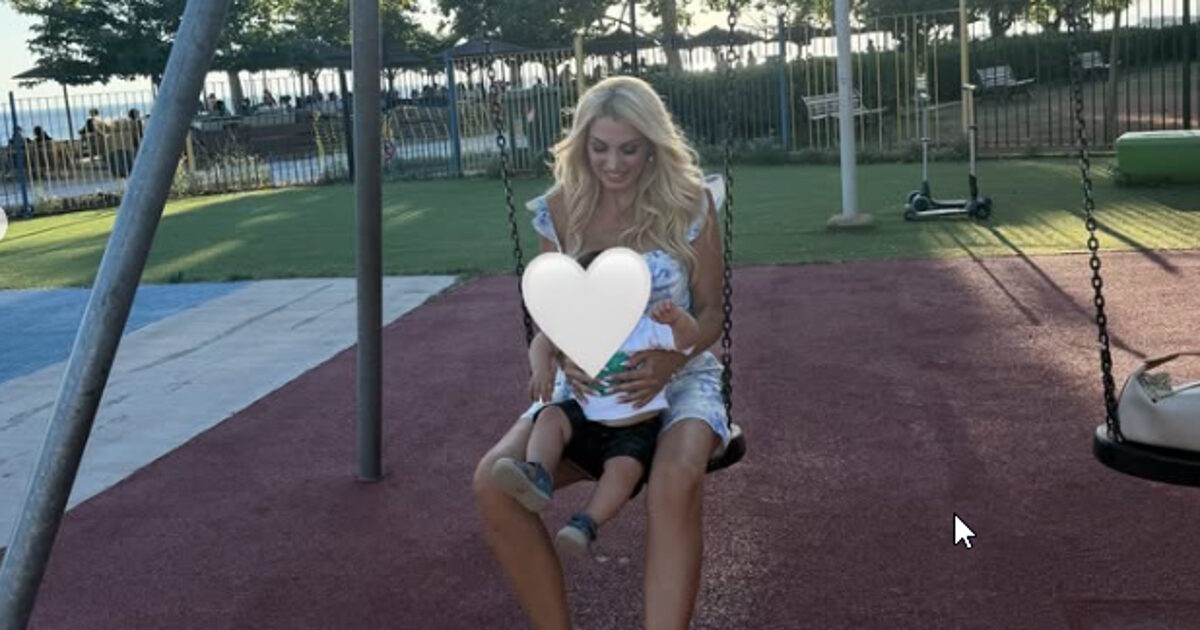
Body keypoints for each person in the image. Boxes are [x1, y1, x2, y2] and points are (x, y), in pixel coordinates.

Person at [472, 75, 732, 630]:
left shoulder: (691, 203)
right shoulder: (559, 209)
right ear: (582, 145)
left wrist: (670, 362)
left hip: (680, 373)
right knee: (492, 482)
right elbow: (556, 307)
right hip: (588, 381)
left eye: (629, 149)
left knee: (674, 480)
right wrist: (562, 354)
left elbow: (712, 313)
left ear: (653, 146)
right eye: (600, 148)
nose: (614, 164)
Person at [489, 249, 701, 559]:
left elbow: (687, 341)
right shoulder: (579, 327)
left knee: (625, 469)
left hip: (635, 427)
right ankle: (537, 473)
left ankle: (586, 523)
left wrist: (678, 320)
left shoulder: (644, 328)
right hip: (585, 417)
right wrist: (541, 368)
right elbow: (542, 342)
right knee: (550, 416)